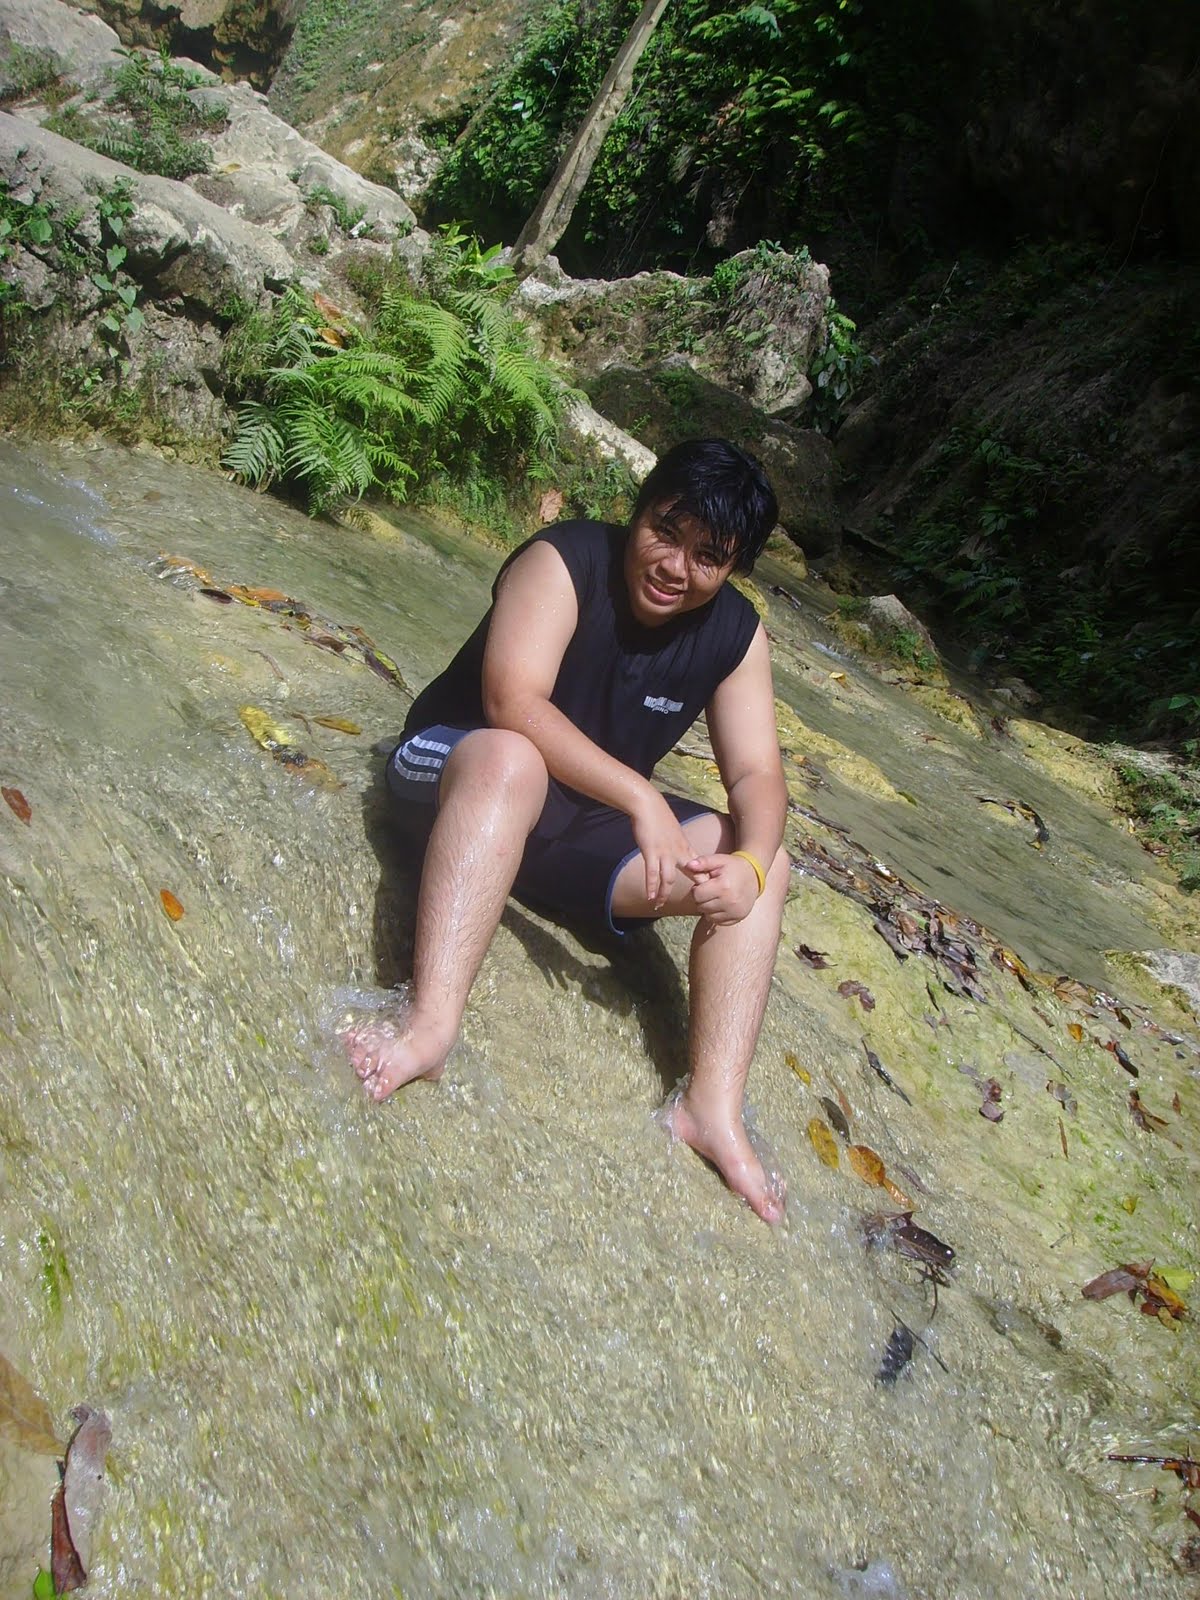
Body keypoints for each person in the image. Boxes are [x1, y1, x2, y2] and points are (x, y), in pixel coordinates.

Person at [345, 438, 790, 1223]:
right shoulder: (564, 559)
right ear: (638, 509)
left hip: (564, 830)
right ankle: (429, 1025)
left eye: (706, 557)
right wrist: (640, 798)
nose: (674, 566)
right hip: (459, 772)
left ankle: (711, 1108)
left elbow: (756, 774)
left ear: (732, 568)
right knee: (512, 759)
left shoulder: (735, 635)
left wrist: (749, 865)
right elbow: (511, 702)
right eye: (665, 531)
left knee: (764, 863)